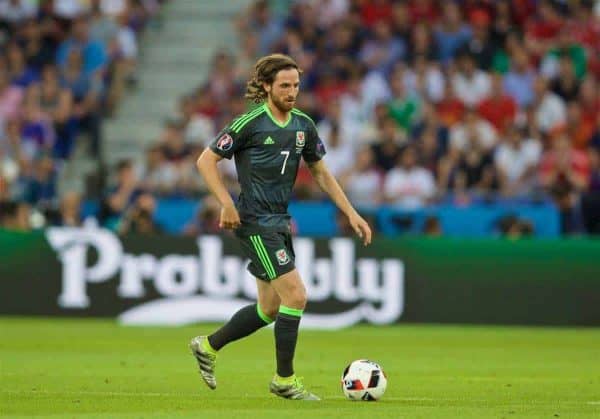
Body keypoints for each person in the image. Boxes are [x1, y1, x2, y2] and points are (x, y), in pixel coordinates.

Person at [190, 54, 372, 401]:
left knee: (270, 309)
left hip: (279, 221)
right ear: (266, 87)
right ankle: (284, 380)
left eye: (296, 86)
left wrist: (350, 212)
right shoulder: (250, 123)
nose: (292, 92)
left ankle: (208, 346)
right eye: (285, 86)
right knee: (297, 295)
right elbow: (206, 160)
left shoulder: (303, 125)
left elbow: (319, 171)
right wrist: (226, 202)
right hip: (255, 221)